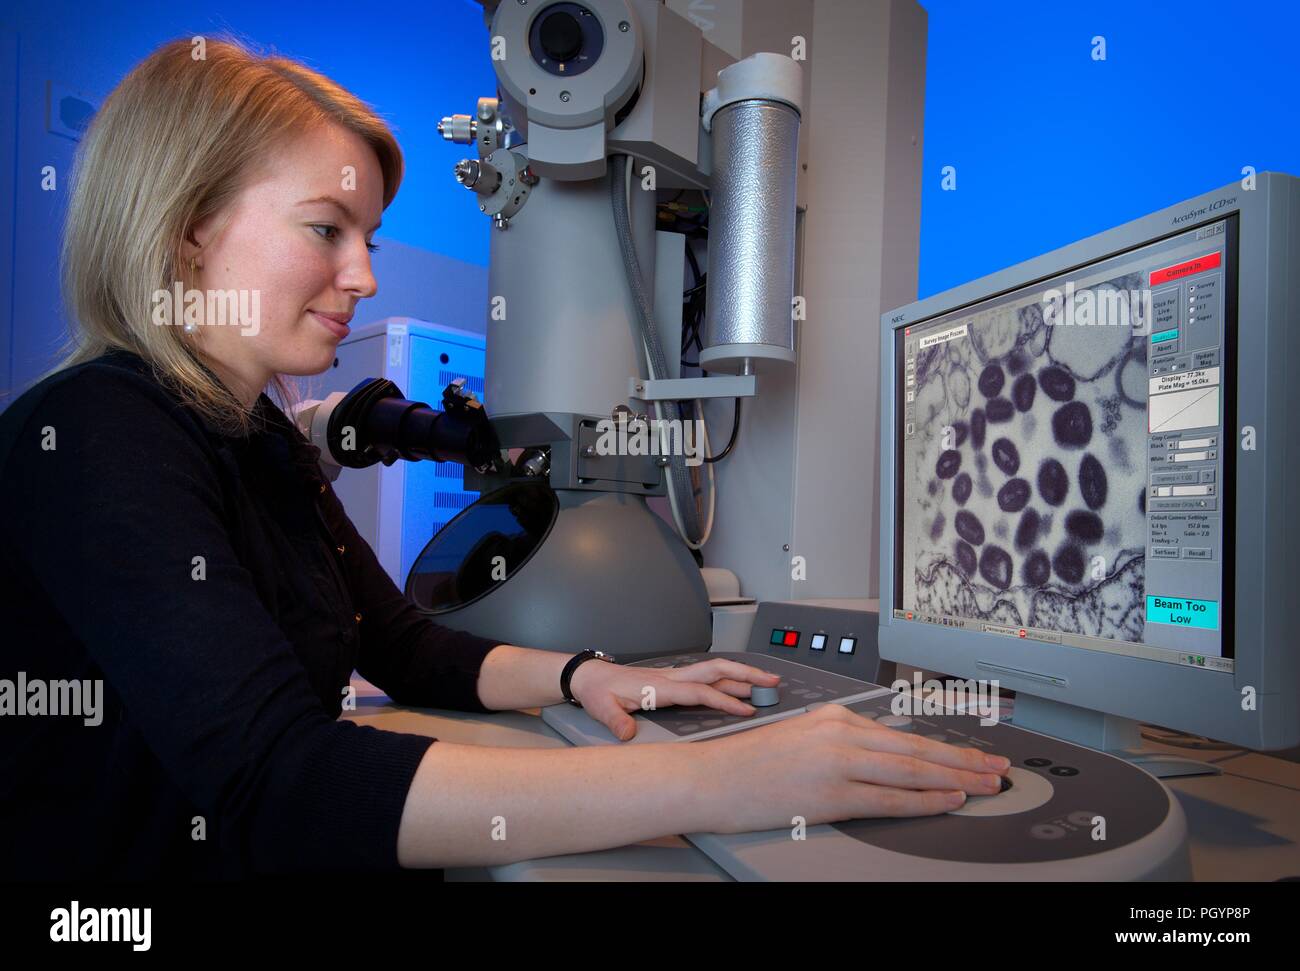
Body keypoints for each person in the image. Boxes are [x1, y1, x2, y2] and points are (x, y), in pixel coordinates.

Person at [0, 37, 1009, 879]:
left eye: (371, 239)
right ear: (185, 233)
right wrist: (728, 779)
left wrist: (588, 679)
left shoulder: (257, 439)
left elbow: (402, 644)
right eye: (326, 228)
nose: (361, 274)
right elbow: (281, 781)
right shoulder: (98, 432)